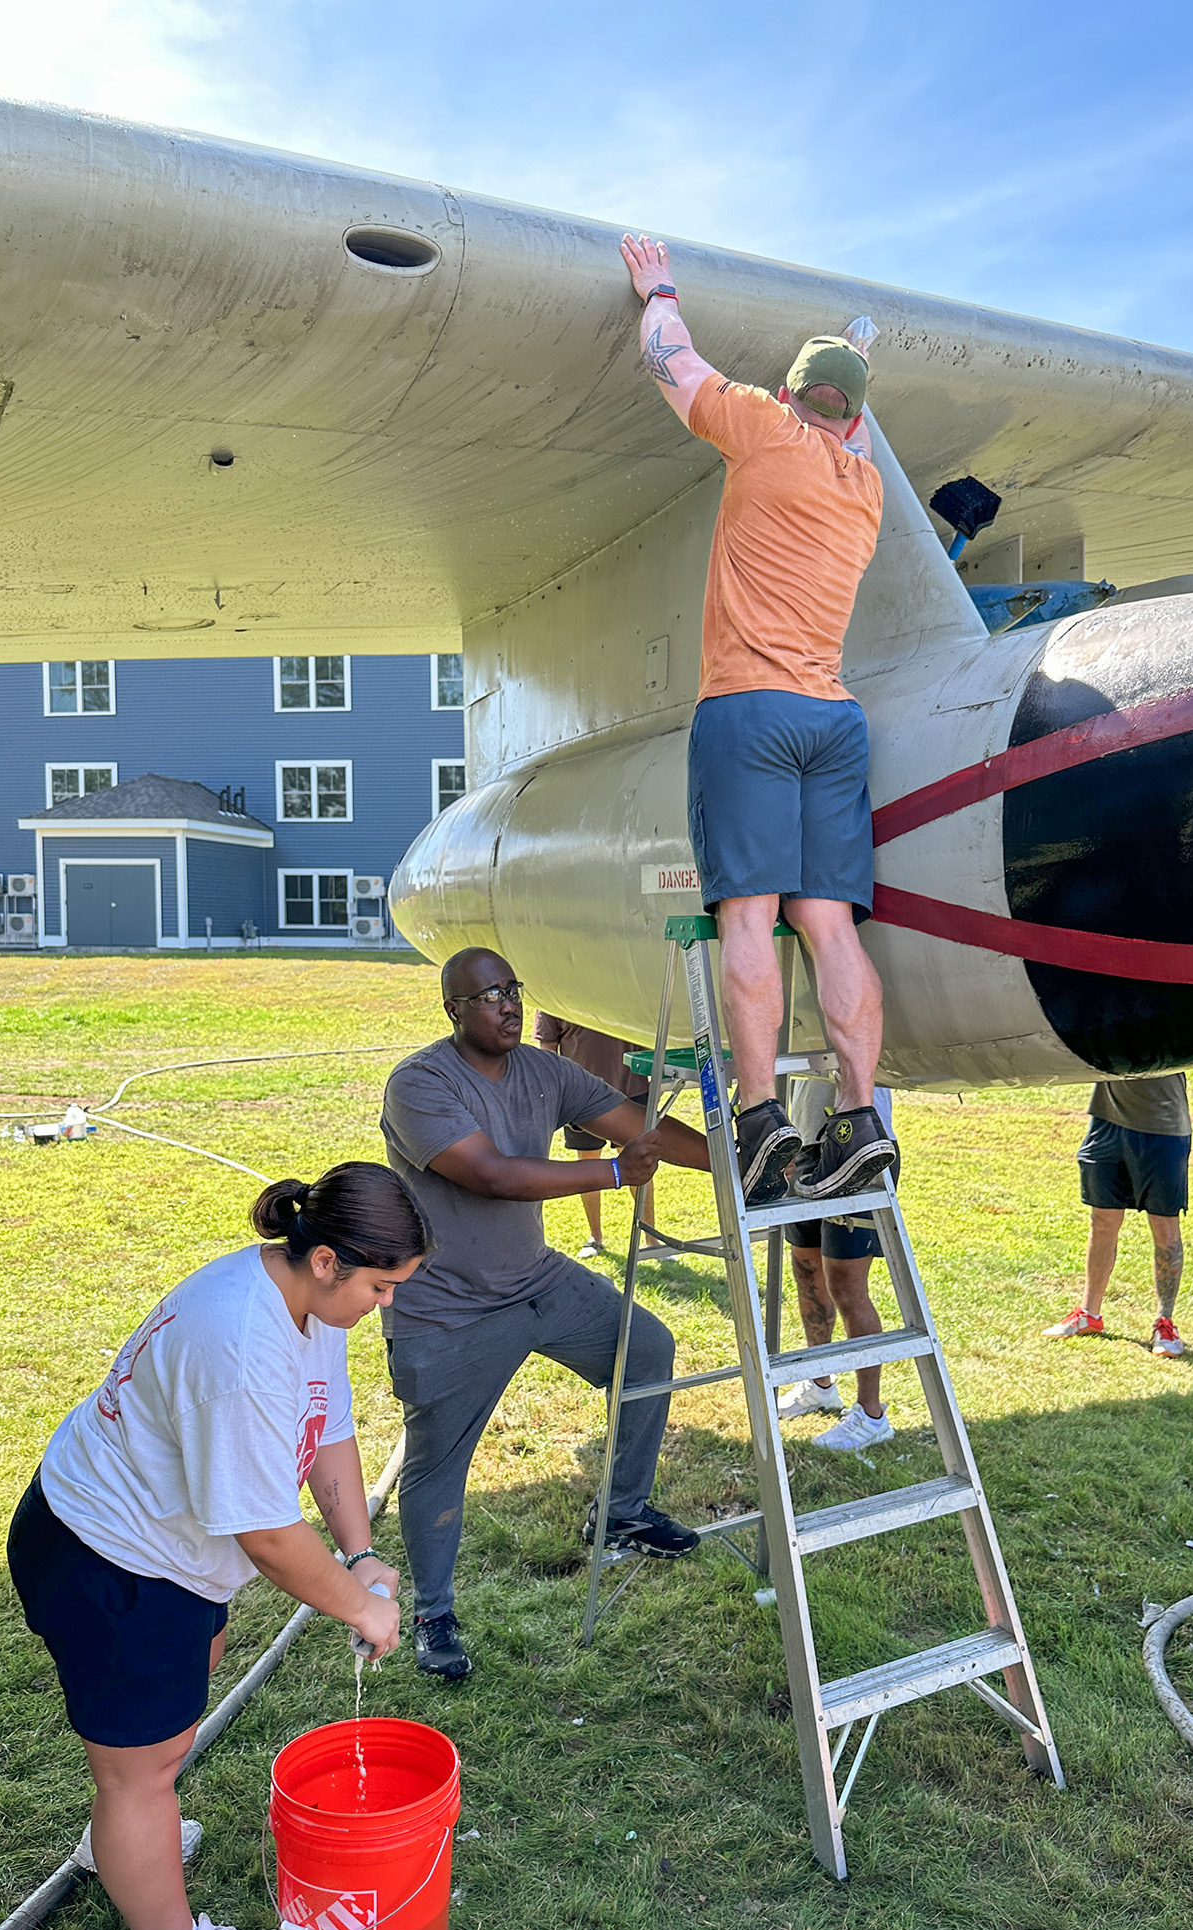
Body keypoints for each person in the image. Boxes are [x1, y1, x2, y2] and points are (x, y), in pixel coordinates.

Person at [6, 1163, 428, 1930]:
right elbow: (267, 1535)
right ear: (327, 1260)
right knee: (142, 1773)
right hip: (108, 1558)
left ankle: (126, 1837)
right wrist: (361, 1605)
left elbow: (327, 1425)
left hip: (161, 1557)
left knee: (175, 1707)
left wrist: (361, 1553)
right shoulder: (240, 1343)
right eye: (382, 1286)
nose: (386, 1303)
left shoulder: (309, 1305)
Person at [620, 230, 895, 1208]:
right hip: (834, 721)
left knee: (747, 914)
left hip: (750, 710)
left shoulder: (763, 429)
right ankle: (857, 1120)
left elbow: (673, 362)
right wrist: (856, 364)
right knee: (828, 925)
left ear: (787, 396)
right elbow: (853, 427)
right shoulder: (864, 490)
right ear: (851, 414)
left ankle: (758, 1117)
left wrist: (659, 291)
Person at [381, 947, 713, 1682]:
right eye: (488, 994)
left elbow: (640, 1124)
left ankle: (621, 1510)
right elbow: (491, 1175)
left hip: (533, 1278)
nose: (508, 1003)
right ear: (453, 1009)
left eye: (513, 988)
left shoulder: (545, 1072)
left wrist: (733, 1160)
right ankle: (433, 1614)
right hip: (446, 1307)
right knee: (437, 1464)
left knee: (645, 1349)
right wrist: (613, 1170)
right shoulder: (420, 1083)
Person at [778, 1083, 902, 1450]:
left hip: (859, 1147)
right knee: (807, 1272)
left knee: (847, 1288)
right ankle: (820, 1384)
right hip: (805, 1145)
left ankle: (871, 1414)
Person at [1042, 1074, 1190, 1357]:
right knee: (1102, 1220)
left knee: (1163, 1226)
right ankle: (1089, 1314)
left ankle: (1164, 1323)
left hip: (1163, 1126)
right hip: (1107, 1121)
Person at [532, 1010, 659, 1256]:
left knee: (640, 1161)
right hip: (580, 1096)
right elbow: (547, 1049)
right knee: (587, 1162)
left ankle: (651, 1240)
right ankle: (595, 1237)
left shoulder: (626, 987)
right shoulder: (554, 994)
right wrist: (556, 1095)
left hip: (631, 1089)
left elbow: (649, 1034)